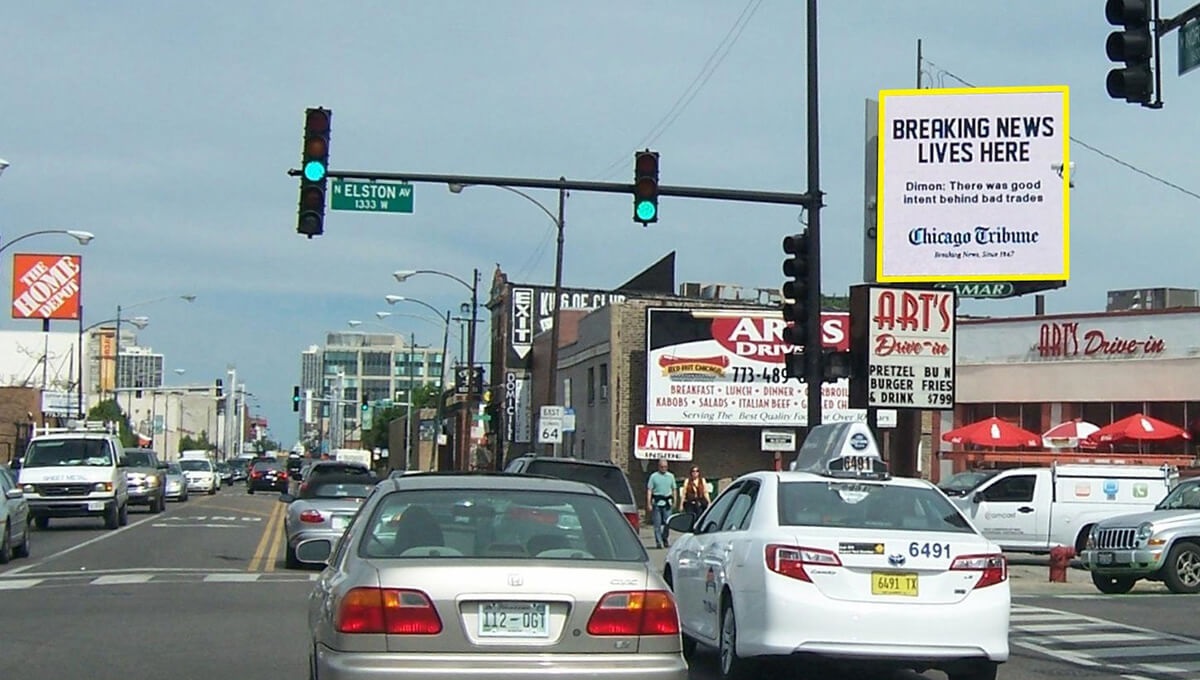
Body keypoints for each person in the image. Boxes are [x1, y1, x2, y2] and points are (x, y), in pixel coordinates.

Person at [645, 459, 678, 549]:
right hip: (657, 503)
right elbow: (649, 490)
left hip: (667, 503)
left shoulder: (671, 476)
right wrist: (648, 503)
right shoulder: (653, 476)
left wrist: (675, 500)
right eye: (662, 467)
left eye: (665, 467)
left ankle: (664, 538)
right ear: (658, 466)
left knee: (667, 524)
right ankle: (659, 542)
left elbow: (674, 489)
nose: (664, 468)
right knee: (657, 524)